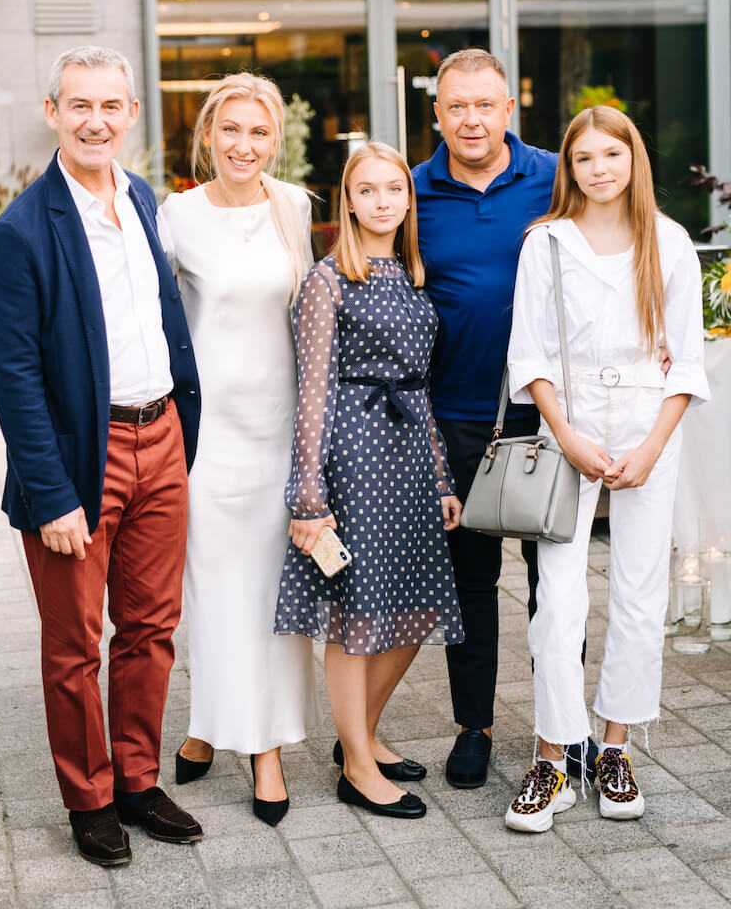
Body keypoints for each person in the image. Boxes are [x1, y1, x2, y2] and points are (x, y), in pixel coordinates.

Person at [0, 47, 203, 867]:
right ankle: (90, 798)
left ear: (132, 114)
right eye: (80, 105)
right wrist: (50, 496)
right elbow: (14, 377)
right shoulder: (20, 231)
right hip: (83, 457)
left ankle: (138, 781)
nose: (96, 121)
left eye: (111, 106)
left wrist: (182, 429)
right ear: (52, 112)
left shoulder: (141, 198)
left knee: (150, 628)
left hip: (162, 439)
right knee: (74, 645)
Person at [504, 106, 708, 832]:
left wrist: (651, 446)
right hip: (570, 423)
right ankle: (554, 756)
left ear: (633, 160)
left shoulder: (669, 242)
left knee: (640, 593)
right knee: (558, 602)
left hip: (651, 425)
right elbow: (528, 354)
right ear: (568, 167)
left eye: (611, 155)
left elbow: (687, 360)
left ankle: (614, 748)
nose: (599, 170)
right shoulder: (547, 243)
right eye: (584, 158)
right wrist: (566, 435)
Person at [275, 141, 465, 820]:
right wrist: (308, 494)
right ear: (349, 202)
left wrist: (441, 477)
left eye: (394, 189)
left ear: (408, 200)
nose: (383, 201)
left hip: (410, 456)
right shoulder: (328, 280)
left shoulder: (413, 274)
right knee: (355, 616)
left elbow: (421, 387)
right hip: (354, 458)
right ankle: (357, 766)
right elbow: (312, 390)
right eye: (368, 190)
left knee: (418, 607)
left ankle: (362, 734)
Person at [157, 72, 320, 827]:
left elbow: (310, 319)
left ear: (275, 140)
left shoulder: (295, 206)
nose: (243, 145)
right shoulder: (176, 216)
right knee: (216, 596)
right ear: (208, 135)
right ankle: (229, 734)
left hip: (281, 434)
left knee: (273, 596)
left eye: (258, 132)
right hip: (208, 441)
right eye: (231, 129)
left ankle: (252, 742)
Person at [412, 48, 561, 790]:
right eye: (456, 106)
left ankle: (559, 729)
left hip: (547, 417)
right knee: (470, 582)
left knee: (553, 582)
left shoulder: (557, 177)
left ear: (508, 109)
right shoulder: (411, 192)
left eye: (484, 104)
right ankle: (475, 726)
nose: (471, 119)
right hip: (454, 421)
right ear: (437, 113)